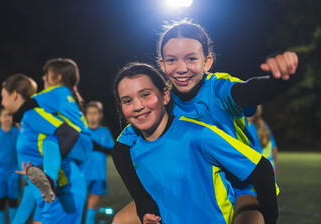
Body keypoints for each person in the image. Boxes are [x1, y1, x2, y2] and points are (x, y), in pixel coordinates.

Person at [112, 20, 300, 224]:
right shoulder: (159, 102)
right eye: (172, 60)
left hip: (240, 182)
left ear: (207, 62)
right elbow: (121, 150)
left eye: (191, 58)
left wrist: (279, 80)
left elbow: (247, 92)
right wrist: (142, 200)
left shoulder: (217, 89)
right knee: (122, 220)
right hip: (196, 185)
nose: (181, 68)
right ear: (162, 64)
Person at [112, 63, 277, 224]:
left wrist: (270, 218)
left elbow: (261, 169)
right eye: (127, 101)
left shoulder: (198, 135)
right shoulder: (132, 149)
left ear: (165, 95)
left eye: (145, 95)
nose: (138, 106)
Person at [1, 73, 87, 224]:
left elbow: (69, 133)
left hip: (62, 193)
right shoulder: (26, 119)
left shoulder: (32, 114)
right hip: (48, 197)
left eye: (3, 96)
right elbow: (32, 187)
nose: (1, 102)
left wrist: (44, 169)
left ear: (14, 94)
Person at [17, 58, 93, 203]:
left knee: (50, 139)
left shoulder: (55, 91)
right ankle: (45, 171)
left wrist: (16, 117)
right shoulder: (68, 95)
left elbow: (29, 103)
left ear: (58, 78)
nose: (43, 77)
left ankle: (49, 178)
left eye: (47, 73)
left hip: (75, 141)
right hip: (85, 145)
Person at [83, 101, 114, 224]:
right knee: (79, 206)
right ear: (85, 115)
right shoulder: (82, 132)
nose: (92, 116)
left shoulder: (105, 132)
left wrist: (98, 147)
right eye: (89, 113)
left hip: (98, 175)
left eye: (95, 113)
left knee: (92, 207)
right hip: (82, 174)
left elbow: (112, 150)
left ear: (100, 115)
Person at [0, 106, 20, 224]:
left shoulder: (17, 132)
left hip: (13, 174)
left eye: (10, 115)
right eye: (5, 115)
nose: (8, 118)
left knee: (13, 203)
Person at [248, 106, 277, 175]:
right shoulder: (264, 126)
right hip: (270, 167)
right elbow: (274, 148)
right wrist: (274, 167)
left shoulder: (248, 128)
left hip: (258, 170)